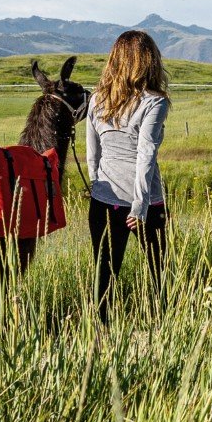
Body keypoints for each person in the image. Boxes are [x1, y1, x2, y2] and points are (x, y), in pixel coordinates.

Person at [85, 30, 169, 324]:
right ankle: (160, 328)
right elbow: (145, 155)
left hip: (103, 200)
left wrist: (97, 186)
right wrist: (140, 204)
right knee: (159, 272)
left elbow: (92, 153)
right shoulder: (154, 102)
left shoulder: (97, 99)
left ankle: (101, 336)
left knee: (104, 273)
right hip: (146, 203)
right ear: (149, 62)